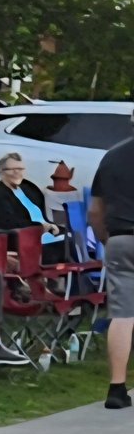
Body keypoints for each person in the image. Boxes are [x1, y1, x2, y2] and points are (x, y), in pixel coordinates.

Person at [88, 116, 134, 410]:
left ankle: (117, 388)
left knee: (123, 314)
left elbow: (95, 210)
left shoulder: (112, 156)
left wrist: (105, 239)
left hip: (120, 239)